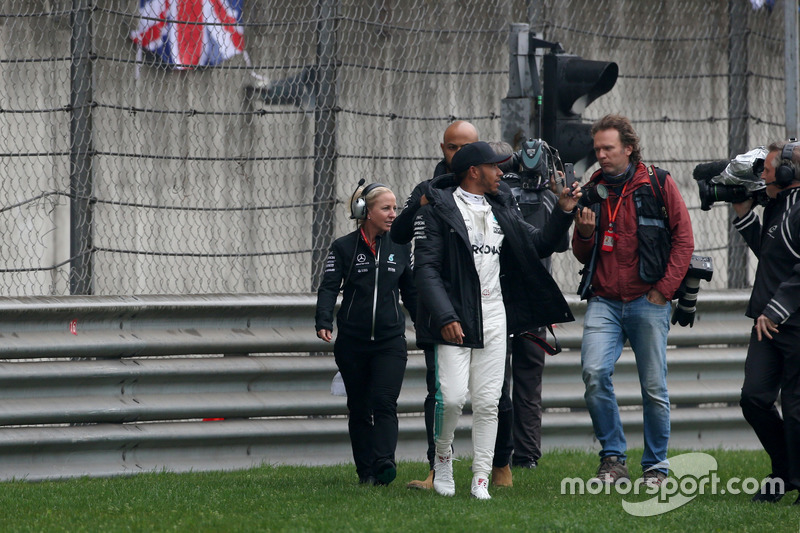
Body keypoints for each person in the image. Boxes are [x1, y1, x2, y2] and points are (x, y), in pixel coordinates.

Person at [414, 141, 580, 499]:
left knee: (489, 401)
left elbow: (537, 244)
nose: (502, 173)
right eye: (495, 167)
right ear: (474, 171)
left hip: (495, 315)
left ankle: (480, 479)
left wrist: (564, 212)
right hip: (454, 318)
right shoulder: (437, 211)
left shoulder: (502, 206)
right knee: (454, 398)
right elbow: (425, 271)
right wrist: (445, 316)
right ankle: (443, 459)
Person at [572, 114, 694, 487]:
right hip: (604, 301)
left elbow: (684, 240)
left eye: (608, 148)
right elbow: (581, 254)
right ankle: (613, 459)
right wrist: (585, 233)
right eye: (597, 150)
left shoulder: (658, 182)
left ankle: (656, 467)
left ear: (628, 148)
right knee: (594, 374)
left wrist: (664, 290)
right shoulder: (592, 188)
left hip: (648, 299)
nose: (601, 156)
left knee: (654, 388)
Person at [391, 120, 479, 490]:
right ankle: (437, 467)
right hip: (437, 307)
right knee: (440, 391)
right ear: (442, 148)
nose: (456, 154)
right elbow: (398, 233)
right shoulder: (426, 189)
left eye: (465, 148)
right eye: (451, 147)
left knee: (494, 393)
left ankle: (499, 467)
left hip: (483, 303)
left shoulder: (491, 186)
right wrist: (420, 206)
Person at [314, 183, 417, 486]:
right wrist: (324, 320)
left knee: (385, 403)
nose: (393, 214)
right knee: (359, 408)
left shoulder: (400, 246)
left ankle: (384, 462)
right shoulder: (343, 247)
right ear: (365, 211)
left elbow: (411, 293)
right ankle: (366, 472)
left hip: (390, 342)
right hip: (352, 344)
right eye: (386, 208)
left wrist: (426, 325)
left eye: (395, 208)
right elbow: (328, 287)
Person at [489, 141, 570, 473]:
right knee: (527, 382)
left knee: (496, 382)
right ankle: (525, 458)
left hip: (499, 298)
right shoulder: (548, 198)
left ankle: (500, 457)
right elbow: (559, 242)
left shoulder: (489, 198)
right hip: (526, 301)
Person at [732, 140, 800, 505]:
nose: (762, 176)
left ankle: (789, 477)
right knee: (754, 398)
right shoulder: (779, 206)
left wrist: (777, 307)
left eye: (769, 170)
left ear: (788, 174)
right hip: (767, 323)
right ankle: (787, 468)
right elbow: (774, 254)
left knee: (795, 406)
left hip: (790, 322)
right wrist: (744, 213)